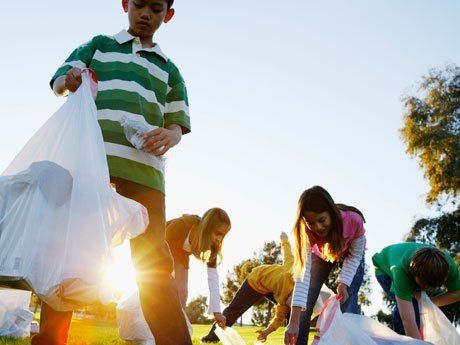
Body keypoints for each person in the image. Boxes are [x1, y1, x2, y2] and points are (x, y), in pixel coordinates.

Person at [33, 1, 193, 344]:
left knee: (154, 268)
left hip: (145, 176)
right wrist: (70, 79)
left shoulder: (171, 70)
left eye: (155, 8)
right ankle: (50, 340)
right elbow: (59, 82)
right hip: (91, 166)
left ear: (169, 14)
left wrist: (172, 134)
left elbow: (178, 124)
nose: (145, 13)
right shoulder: (100, 46)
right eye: (139, 5)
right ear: (125, 4)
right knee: (71, 256)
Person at [285, 186, 367, 345]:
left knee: (347, 300)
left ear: (331, 212)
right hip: (322, 254)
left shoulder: (353, 220)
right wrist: (293, 321)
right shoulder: (304, 235)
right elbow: (303, 276)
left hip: (350, 254)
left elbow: (356, 254)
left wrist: (344, 281)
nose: (318, 227)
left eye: (322, 220)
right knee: (308, 296)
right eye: (310, 222)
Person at [202, 231, 294, 343]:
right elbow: (288, 254)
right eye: (292, 303)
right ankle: (210, 339)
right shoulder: (292, 273)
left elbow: (278, 319)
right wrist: (284, 240)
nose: (291, 304)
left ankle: (295, 338)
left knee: (290, 314)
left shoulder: (284, 303)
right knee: (235, 309)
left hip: (269, 288)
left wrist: (266, 332)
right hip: (255, 281)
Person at [372, 242, 460, 339]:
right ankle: (400, 342)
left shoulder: (450, 268)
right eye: (423, 283)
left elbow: (457, 294)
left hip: (407, 262)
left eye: (430, 285)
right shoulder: (401, 273)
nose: (426, 287)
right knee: (411, 309)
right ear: (414, 273)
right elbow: (408, 321)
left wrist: (427, 303)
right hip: (383, 268)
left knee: (417, 307)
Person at [165, 208, 231, 327]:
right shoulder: (182, 224)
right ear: (207, 228)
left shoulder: (213, 247)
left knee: (182, 292)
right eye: (218, 233)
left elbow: (213, 278)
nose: (219, 239)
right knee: (161, 286)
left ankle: (177, 328)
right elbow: (160, 244)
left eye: (223, 235)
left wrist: (217, 313)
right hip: (160, 246)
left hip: (181, 255)